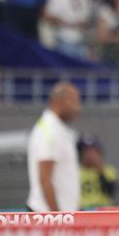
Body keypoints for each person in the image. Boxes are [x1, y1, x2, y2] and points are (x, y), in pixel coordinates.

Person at [26, 82, 82, 212]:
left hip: (59, 216)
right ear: (59, 101)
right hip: (47, 216)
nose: (78, 108)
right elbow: (45, 178)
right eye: (74, 101)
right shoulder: (50, 131)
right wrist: (57, 217)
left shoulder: (57, 129)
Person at [78, 135, 119, 210]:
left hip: (102, 209)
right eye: (86, 151)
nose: (90, 155)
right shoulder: (76, 172)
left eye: (94, 151)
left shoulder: (108, 170)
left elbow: (111, 191)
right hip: (81, 210)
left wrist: (100, 171)